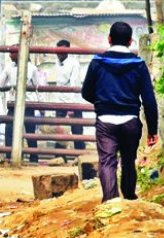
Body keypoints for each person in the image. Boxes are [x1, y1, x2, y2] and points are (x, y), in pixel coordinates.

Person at [81, 22, 158, 202]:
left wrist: (103, 104)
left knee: (107, 161)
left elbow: (86, 93)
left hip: (105, 121)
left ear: (109, 39)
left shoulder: (97, 63)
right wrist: (153, 130)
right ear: (131, 41)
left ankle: (110, 201)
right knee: (128, 160)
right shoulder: (139, 65)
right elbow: (149, 100)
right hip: (131, 121)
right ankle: (129, 197)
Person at [0, 47, 42, 163]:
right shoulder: (9, 68)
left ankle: (34, 159)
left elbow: (38, 88)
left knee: (30, 133)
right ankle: (9, 157)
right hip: (13, 105)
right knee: (9, 130)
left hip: (28, 105)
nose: (10, 55)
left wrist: (41, 106)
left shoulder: (32, 68)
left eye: (12, 53)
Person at [54, 40, 85, 151]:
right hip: (60, 102)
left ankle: (81, 158)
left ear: (68, 51)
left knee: (77, 131)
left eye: (62, 51)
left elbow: (74, 84)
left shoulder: (74, 63)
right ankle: (59, 158)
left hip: (73, 102)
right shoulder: (56, 62)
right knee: (60, 131)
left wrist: (71, 106)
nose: (59, 53)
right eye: (58, 51)